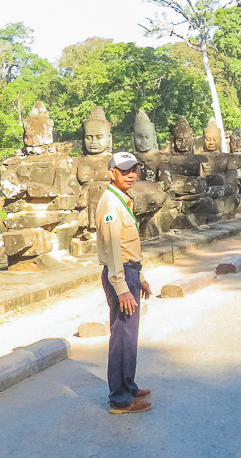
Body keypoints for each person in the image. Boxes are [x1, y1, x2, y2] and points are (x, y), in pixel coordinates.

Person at [97, 152, 153, 415]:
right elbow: (113, 251)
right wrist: (122, 288)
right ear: (112, 173)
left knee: (130, 336)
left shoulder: (122, 200)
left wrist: (139, 278)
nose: (131, 174)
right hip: (119, 275)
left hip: (130, 273)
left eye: (134, 170)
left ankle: (128, 386)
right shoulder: (110, 205)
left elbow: (129, 247)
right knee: (122, 337)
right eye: (124, 170)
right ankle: (119, 400)